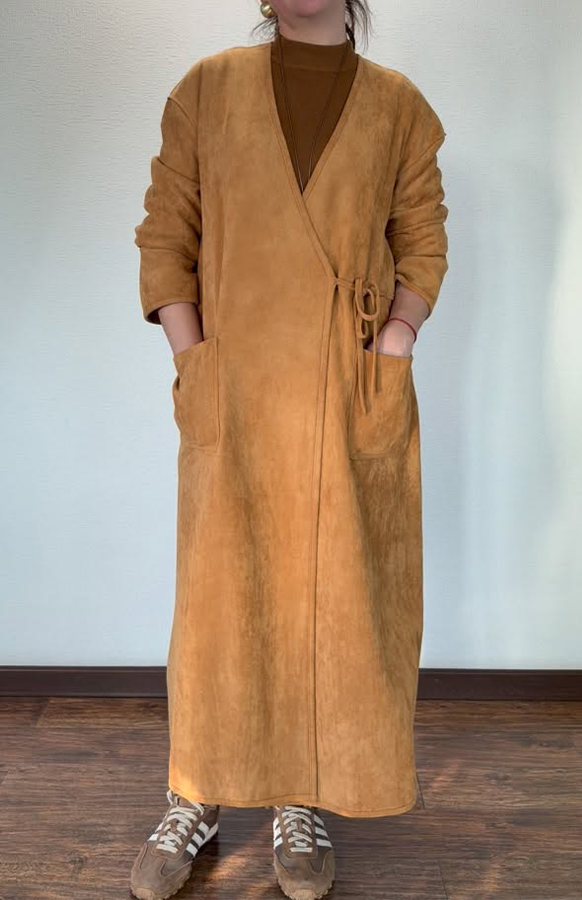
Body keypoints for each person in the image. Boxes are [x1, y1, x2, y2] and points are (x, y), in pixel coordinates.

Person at [130, 1, 449, 899]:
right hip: (235, 386)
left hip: (345, 390)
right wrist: (195, 358)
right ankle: (194, 791)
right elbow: (166, 234)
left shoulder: (399, 107)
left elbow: (423, 243)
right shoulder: (206, 91)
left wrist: (394, 343)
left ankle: (299, 795)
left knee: (330, 598)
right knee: (218, 598)